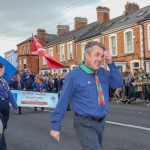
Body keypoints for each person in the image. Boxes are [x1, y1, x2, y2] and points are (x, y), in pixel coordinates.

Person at [50, 41, 123, 150]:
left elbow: (118, 83)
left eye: (102, 56)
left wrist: (111, 63)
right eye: (96, 55)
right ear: (87, 55)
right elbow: (63, 100)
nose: (99, 59)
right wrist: (56, 125)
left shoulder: (102, 72)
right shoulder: (74, 75)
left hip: (100, 122)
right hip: (84, 122)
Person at [0, 63, 18, 150]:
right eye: (3, 68)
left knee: (3, 126)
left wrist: (15, 106)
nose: (4, 70)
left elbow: (10, 94)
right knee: (0, 128)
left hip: (5, 104)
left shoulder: (4, 81)